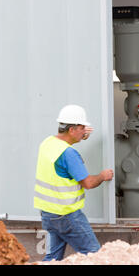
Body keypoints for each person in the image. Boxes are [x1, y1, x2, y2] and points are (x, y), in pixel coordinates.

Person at [34, 104, 114, 260]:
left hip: (48, 215)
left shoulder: (47, 143)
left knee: (52, 259)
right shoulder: (69, 154)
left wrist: (82, 134)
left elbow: (66, 142)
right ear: (71, 129)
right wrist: (103, 176)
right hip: (67, 216)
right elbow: (88, 183)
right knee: (94, 256)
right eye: (82, 128)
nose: (85, 131)